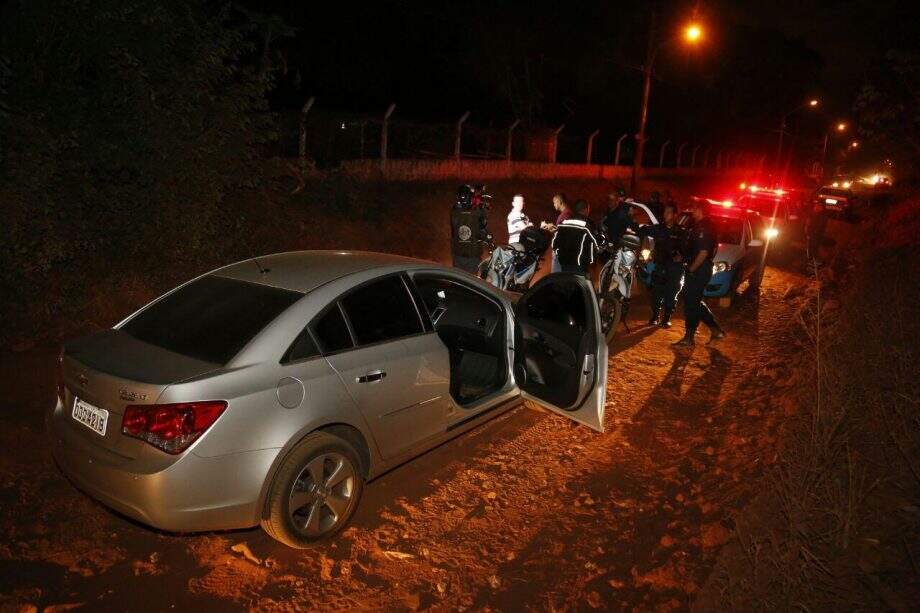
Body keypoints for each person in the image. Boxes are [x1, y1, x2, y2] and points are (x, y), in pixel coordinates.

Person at [674, 200, 725, 346]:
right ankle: (716, 330)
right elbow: (711, 250)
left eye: (694, 208)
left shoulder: (704, 227)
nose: (692, 211)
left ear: (700, 210)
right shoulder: (705, 225)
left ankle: (689, 337)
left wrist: (692, 269)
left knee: (691, 304)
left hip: (698, 270)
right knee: (694, 301)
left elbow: (703, 252)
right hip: (700, 268)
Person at [647, 202, 685, 327]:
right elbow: (643, 231)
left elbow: (687, 249)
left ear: (675, 215)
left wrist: (681, 256)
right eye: (664, 212)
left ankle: (667, 317)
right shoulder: (659, 229)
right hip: (661, 265)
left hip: (674, 268)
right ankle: (655, 316)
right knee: (656, 292)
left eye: (668, 212)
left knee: (671, 293)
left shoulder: (681, 232)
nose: (665, 214)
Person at [551, 199, 599, 276]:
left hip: (564, 263)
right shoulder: (588, 224)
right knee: (579, 286)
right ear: (586, 209)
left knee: (566, 283)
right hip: (580, 265)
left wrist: (559, 254)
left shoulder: (564, 223)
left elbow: (554, 243)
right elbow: (596, 242)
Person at [450, 185, 489, 274]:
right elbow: (483, 228)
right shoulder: (477, 213)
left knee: (459, 280)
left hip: (458, 254)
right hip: (472, 255)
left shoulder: (454, 212)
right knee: (472, 283)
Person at [544, 193, 571, 273]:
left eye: (555, 202)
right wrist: (552, 227)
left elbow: (565, 232)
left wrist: (553, 228)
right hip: (561, 249)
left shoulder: (566, 214)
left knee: (556, 276)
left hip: (560, 250)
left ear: (559, 201)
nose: (554, 205)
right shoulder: (565, 214)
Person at [805, 199, 828, 267]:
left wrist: (812, 234)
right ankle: (811, 263)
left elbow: (819, 227)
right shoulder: (813, 214)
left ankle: (813, 264)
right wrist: (807, 232)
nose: (816, 206)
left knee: (813, 249)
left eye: (819, 205)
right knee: (810, 249)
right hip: (811, 235)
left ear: (822, 207)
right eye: (816, 205)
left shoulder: (822, 216)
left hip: (816, 236)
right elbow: (808, 223)